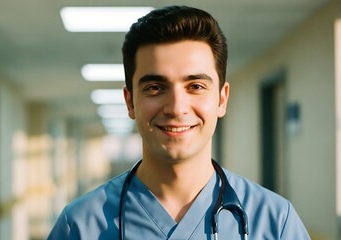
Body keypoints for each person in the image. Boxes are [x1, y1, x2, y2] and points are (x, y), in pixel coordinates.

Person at [47, 5, 310, 239]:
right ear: (130, 102)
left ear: (221, 99)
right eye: (154, 87)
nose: (176, 107)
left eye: (195, 86)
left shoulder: (276, 222)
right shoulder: (80, 225)